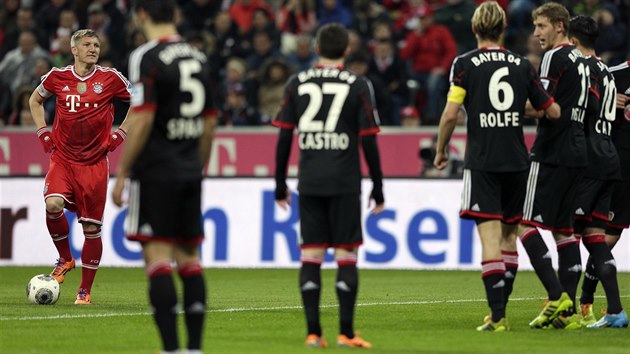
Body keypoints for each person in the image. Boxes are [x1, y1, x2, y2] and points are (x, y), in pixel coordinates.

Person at [433, 1, 560, 331]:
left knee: (491, 241)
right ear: (503, 29)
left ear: (474, 29)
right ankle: (527, 302)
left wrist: (440, 149)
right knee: (512, 236)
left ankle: (499, 317)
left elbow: (450, 114)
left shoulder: (464, 64)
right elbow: (548, 109)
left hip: (483, 162)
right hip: (518, 160)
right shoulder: (521, 64)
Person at [111, 0, 217, 353]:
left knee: (157, 256)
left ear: (141, 16)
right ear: (176, 15)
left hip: (155, 169)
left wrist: (124, 171)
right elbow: (210, 122)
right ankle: (196, 347)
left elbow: (141, 118)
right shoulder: (200, 57)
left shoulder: (146, 56)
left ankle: (171, 348)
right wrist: (197, 166)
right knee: (189, 257)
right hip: (189, 169)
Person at [273, 23, 384, 348]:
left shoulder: (297, 81)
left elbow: (283, 137)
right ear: (346, 50)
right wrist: (378, 188)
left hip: (310, 180)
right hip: (345, 180)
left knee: (311, 256)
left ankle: (313, 333)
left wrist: (280, 184)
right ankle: (346, 334)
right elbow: (368, 142)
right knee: (347, 256)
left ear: (317, 48)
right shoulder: (358, 84)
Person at [28, 28, 132, 305]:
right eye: (86, 44)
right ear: (73, 49)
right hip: (63, 158)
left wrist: (120, 133)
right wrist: (42, 131)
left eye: (96, 44)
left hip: (95, 164)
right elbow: (35, 100)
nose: (93, 48)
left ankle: (84, 291)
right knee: (52, 205)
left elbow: (140, 101)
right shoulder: (57, 76)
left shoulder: (110, 78)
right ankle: (65, 257)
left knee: (90, 230)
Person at [515, 2, 590, 329]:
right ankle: (568, 314)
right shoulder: (585, 60)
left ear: (560, 26)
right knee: (564, 231)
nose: (536, 34)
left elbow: (545, 107)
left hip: (551, 151)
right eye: (535, 27)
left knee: (519, 219)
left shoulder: (554, 57)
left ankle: (556, 294)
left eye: (542, 26)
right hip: (579, 152)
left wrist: (508, 106)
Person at [577, 51, 630, 327]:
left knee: (600, 238)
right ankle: (588, 300)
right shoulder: (613, 75)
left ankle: (587, 300)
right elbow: (590, 115)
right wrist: (611, 103)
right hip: (619, 166)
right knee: (607, 238)